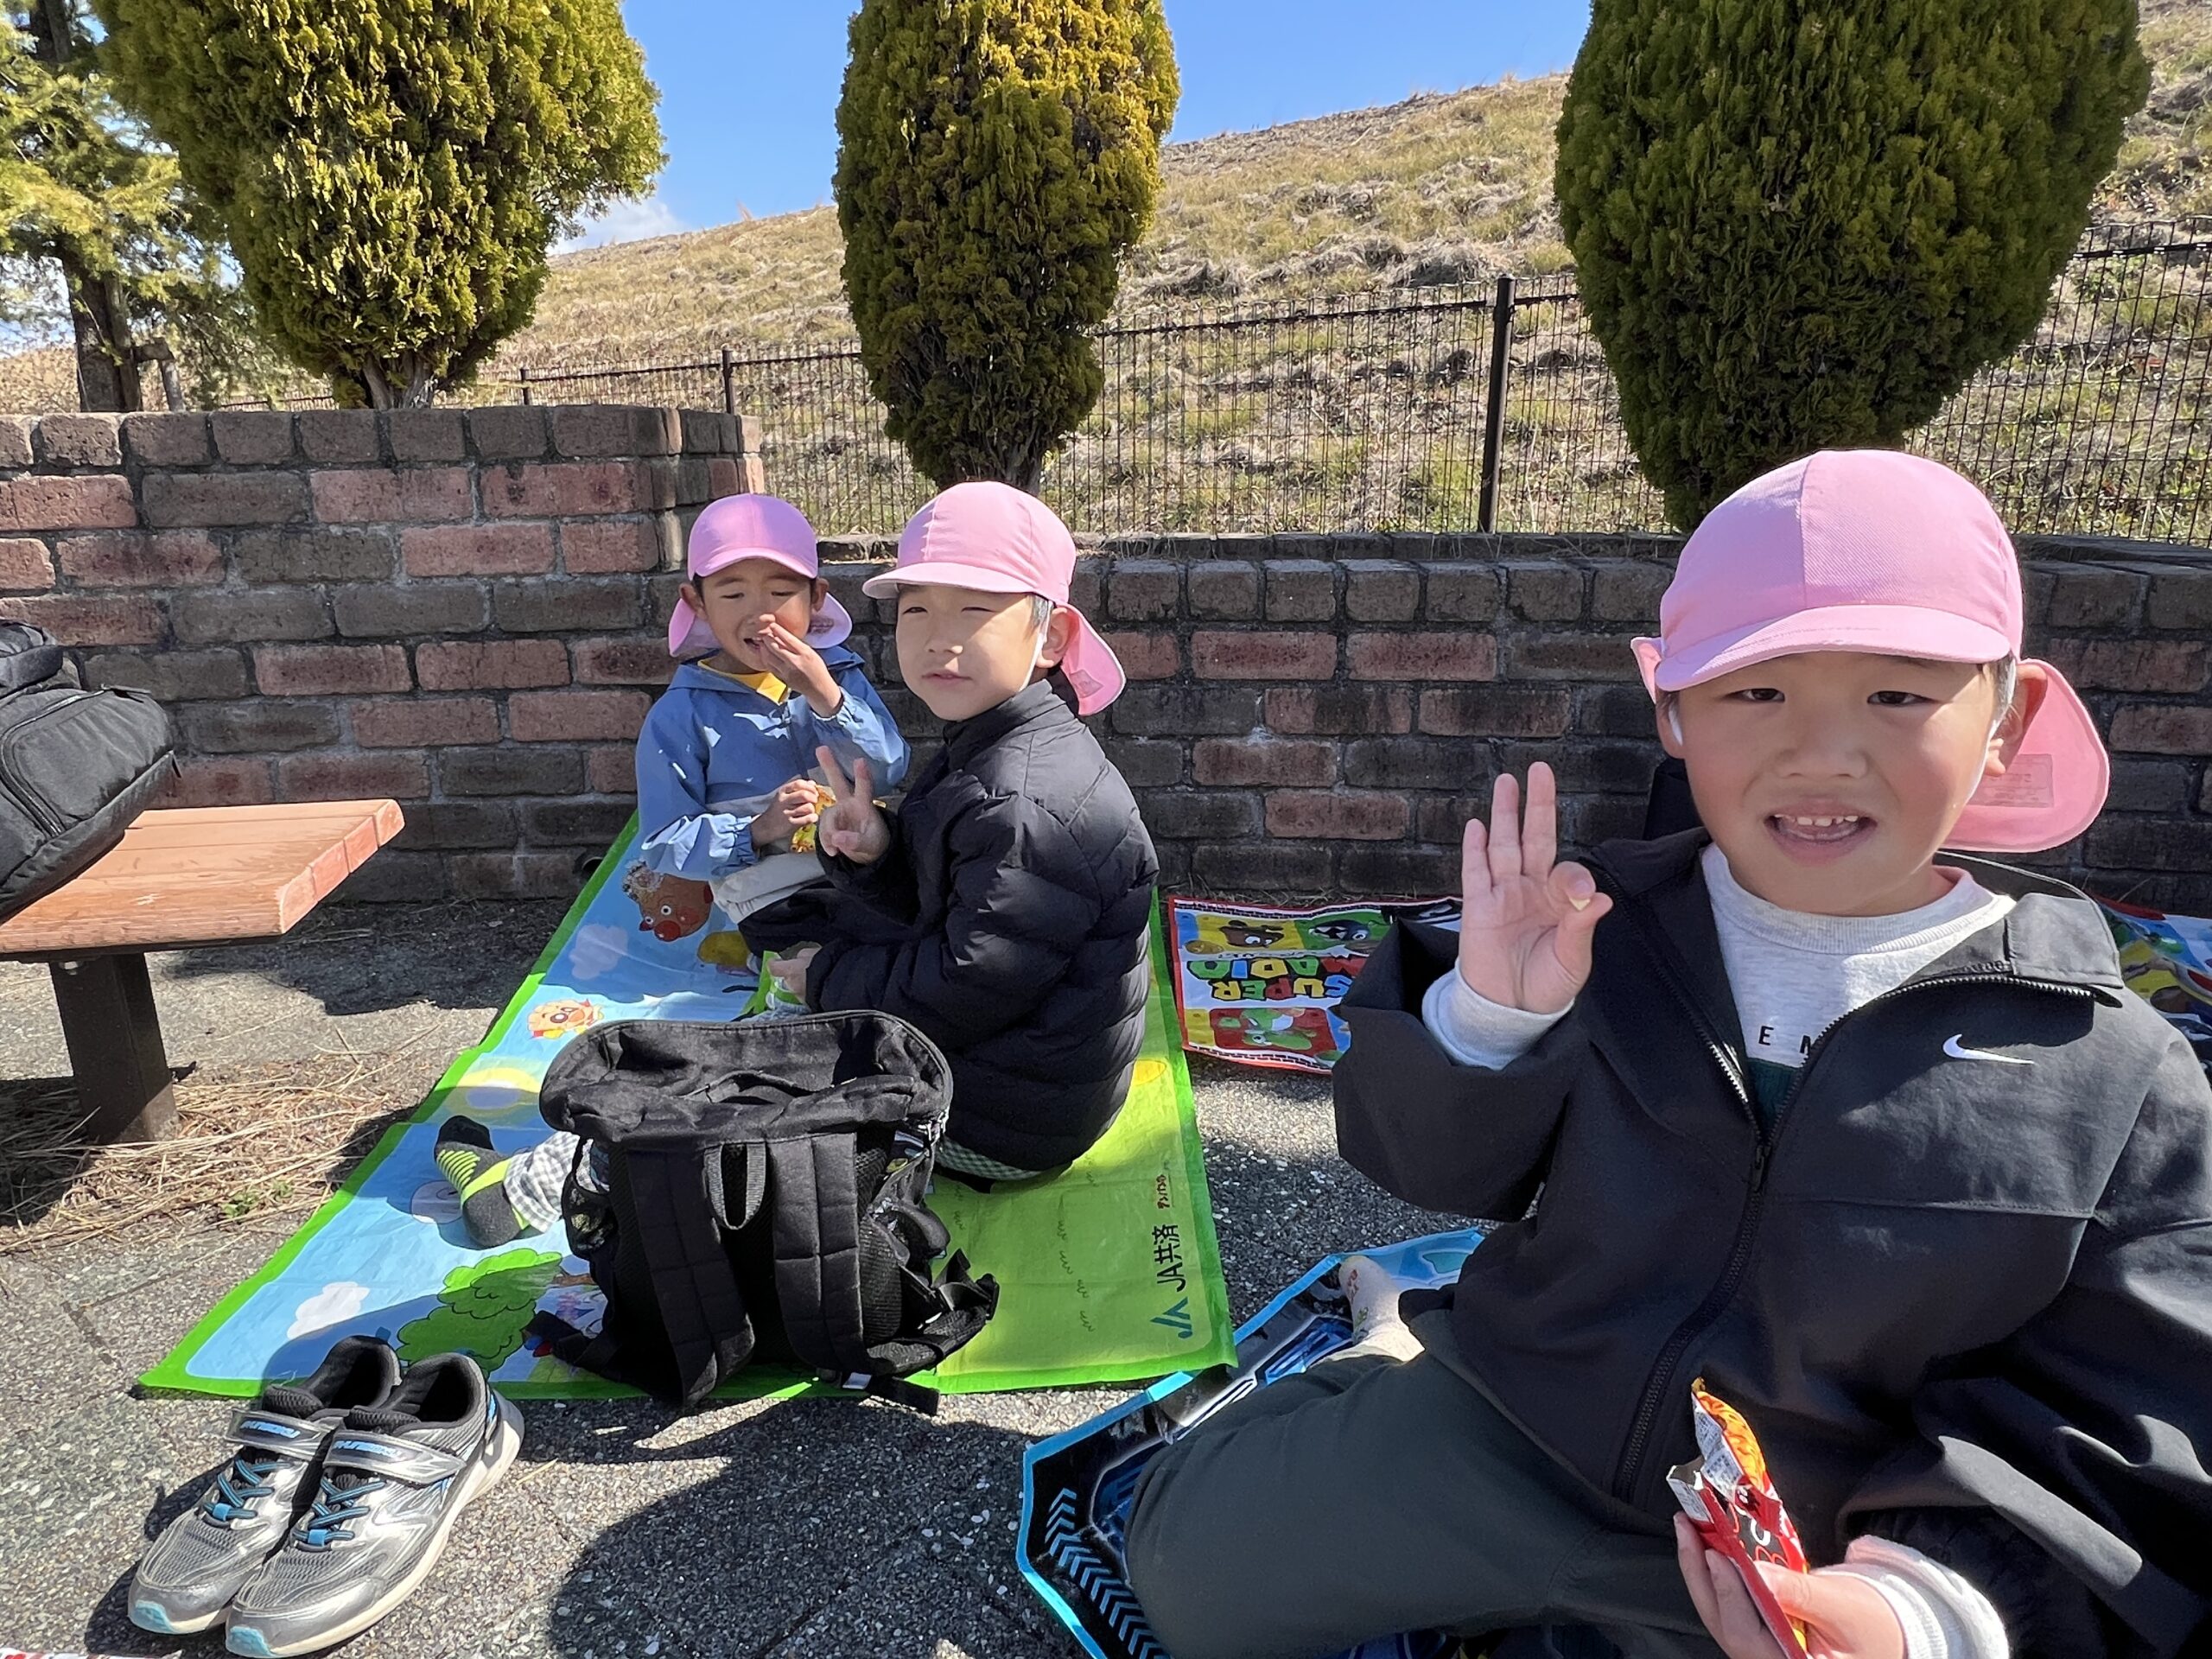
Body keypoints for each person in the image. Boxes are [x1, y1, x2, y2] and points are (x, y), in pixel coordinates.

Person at [1122, 450, 2212, 1659]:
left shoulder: (2113, 1071)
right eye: (1759, 692)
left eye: (1898, 695)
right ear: (1674, 713)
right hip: (1514, 1423)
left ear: (2006, 720)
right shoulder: (1599, 923)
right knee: (1181, 1570)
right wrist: (1488, 1019)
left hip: (1814, 1536)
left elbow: (2133, 1412)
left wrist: (1926, 1603)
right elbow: (1428, 1165)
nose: (1821, 752)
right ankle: (1390, 1346)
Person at [433, 493, 910, 1248]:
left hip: (875, 886)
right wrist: (756, 830)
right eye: (733, 593)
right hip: (786, 914)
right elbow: (663, 843)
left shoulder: (840, 676)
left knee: (907, 994)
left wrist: (824, 694)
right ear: (696, 603)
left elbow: (888, 767)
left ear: (817, 598)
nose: (761, 612)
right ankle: (531, 1184)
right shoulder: (681, 717)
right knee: (780, 1049)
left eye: (782, 590)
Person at [750, 480, 1159, 1185]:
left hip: (1010, 1122)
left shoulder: (1023, 801)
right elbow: (955, 895)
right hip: (1024, 1069)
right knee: (793, 924)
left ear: (1052, 637)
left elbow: (965, 985)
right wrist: (878, 851)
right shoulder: (996, 739)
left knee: (765, 1088)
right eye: (916, 611)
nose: (939, 638)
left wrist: (827, 980)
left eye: (975, 610)